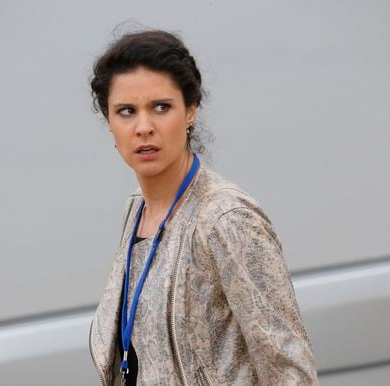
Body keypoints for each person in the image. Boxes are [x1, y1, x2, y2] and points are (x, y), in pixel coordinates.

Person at [88, 28, 319, 386]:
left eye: (161, 107)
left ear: (191, 110)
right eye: (126, 111)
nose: (144, 127)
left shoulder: (226, 219)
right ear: (109, 122)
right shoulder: (136, 210)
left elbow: (290, 370)